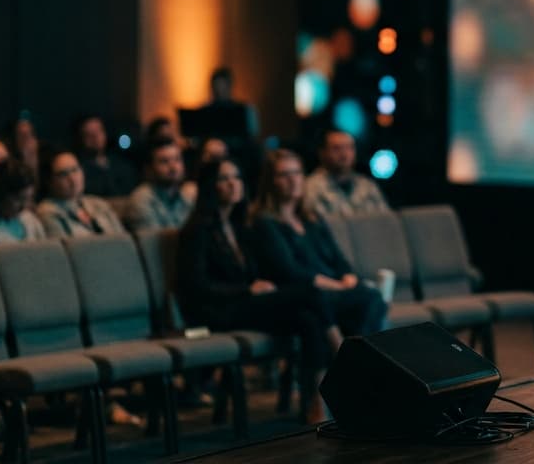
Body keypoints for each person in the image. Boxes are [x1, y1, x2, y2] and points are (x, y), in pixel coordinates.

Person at [177, 157, 342, 423]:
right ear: (210, 187)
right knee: (310, 292)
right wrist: (247, 289)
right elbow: (196, 286)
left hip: (245, 304)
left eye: (237, 177)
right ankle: (342, 353)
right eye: (224, 179)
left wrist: (259, 287)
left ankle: (316, 401)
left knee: (309, 319)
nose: (234, 184)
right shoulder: (197, 230)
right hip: (217, 312)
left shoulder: (240, 225)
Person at [252, 149, 386, 338]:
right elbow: (290, 271)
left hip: (334, 289)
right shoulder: (265, 223)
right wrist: (337, 286)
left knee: (371, 297)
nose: (293, 180)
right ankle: (358, 360)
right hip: (309, 294)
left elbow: (338, 258)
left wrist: (348, 276)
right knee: (369, 300)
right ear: (271, 181)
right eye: (284, 175)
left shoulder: (311, 219)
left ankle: (358, 360)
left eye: (297, 173)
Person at [36, 150, 126, 238]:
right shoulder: (48, 212)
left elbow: (124, 241)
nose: (72, 179)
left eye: (75, 170)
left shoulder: (99, 203)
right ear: (49, 181)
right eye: (63, 174)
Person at [302, 128, 390, 216]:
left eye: (349, 147)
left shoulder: (367, 185)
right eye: (336, 148)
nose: (344, 154)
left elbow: (386, 220)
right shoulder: (310, 187)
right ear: (322, 153)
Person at [123, 137, 196, 231]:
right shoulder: (141, 199)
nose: (173, 167)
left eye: (177, 159)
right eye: (164, 161)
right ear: (149, 169)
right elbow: (152, 243)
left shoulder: (186, 196)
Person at [75, 115, 138, 198]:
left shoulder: (121, 164)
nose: (95, 137)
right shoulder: (79, 170)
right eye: (89, 134)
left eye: (99, 131)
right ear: (81, 138)